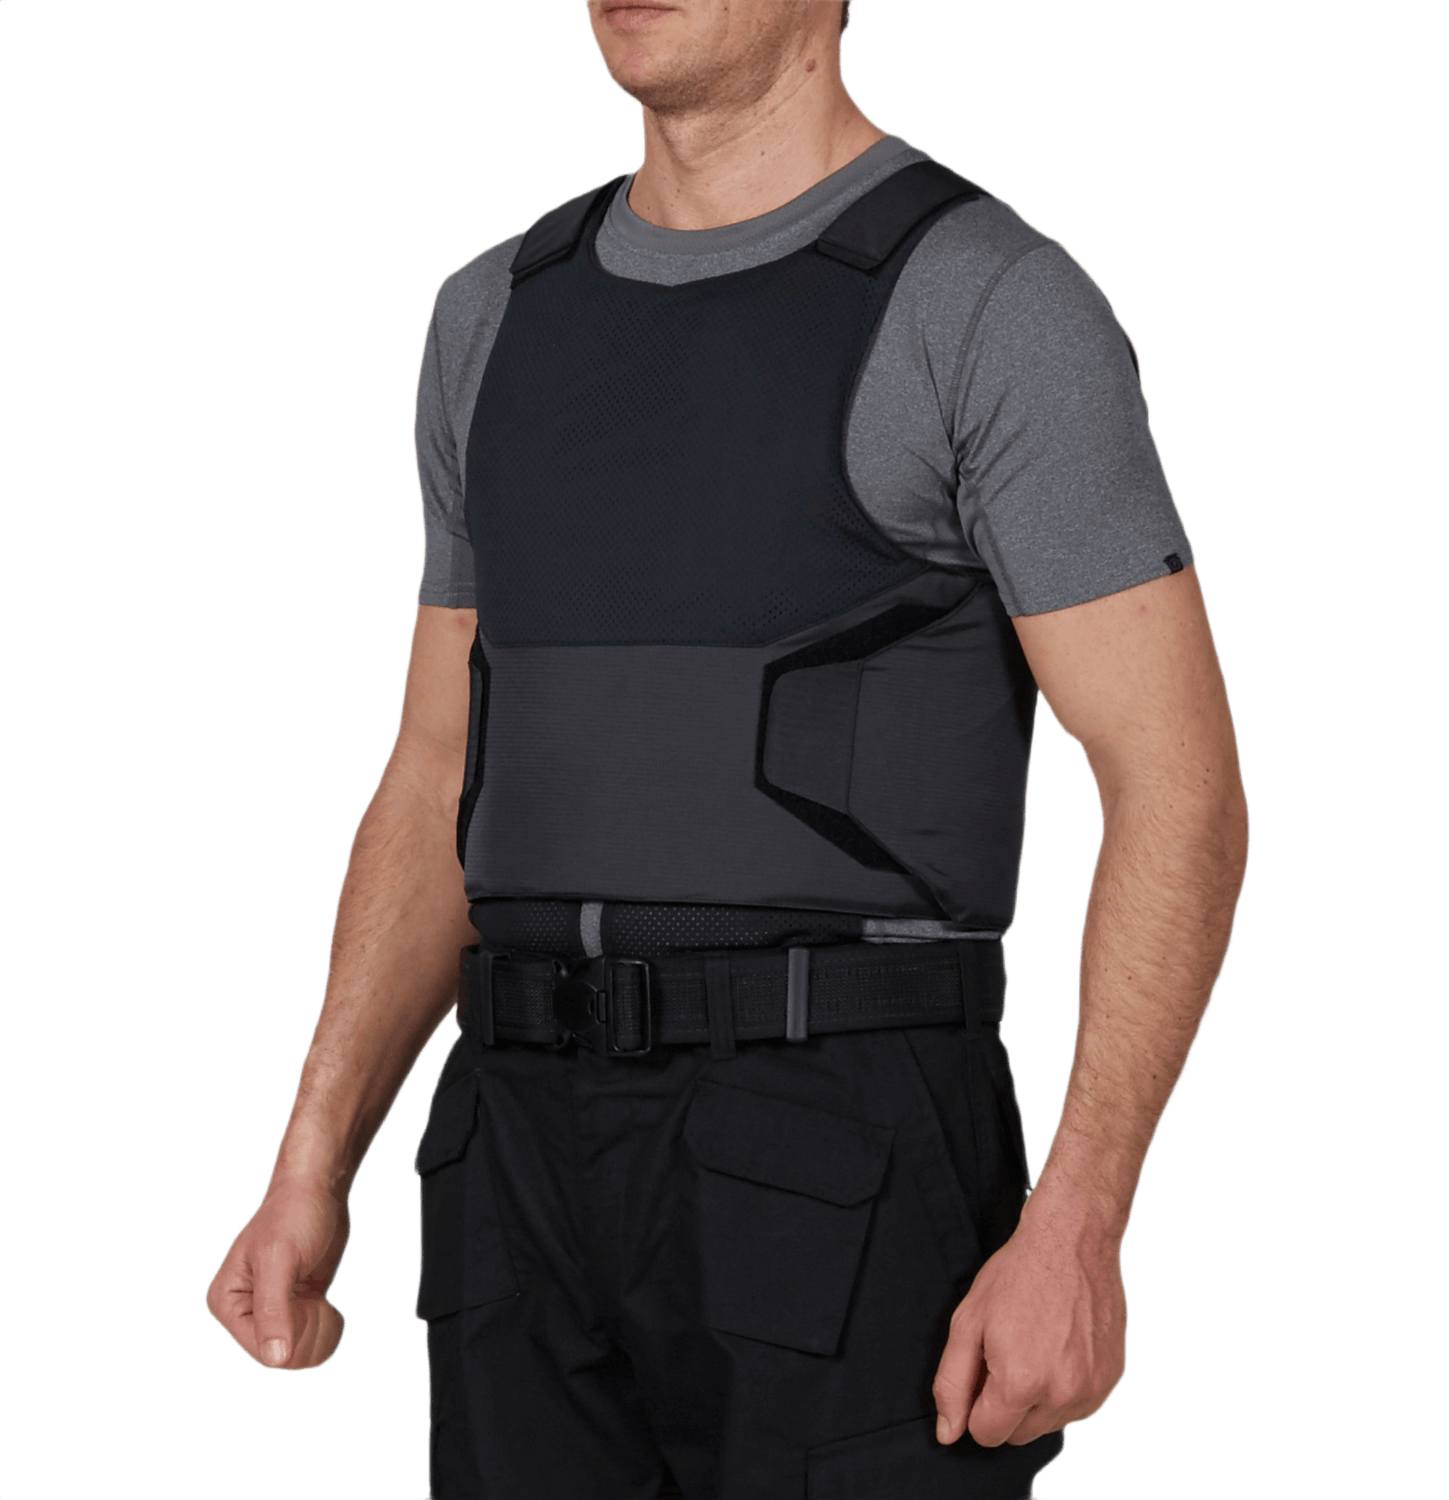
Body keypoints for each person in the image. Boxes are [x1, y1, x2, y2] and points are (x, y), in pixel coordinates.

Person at [205, 2, 1250, 1496]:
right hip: (516, 1167)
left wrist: (1081, 1221)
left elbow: (1177, 783)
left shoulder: (986, 301)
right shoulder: (490, 314)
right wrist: (313, 1155)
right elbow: (439, 769)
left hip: (841, 1149)